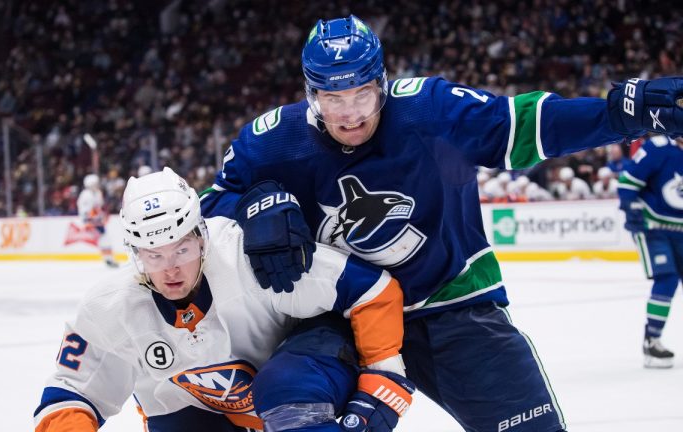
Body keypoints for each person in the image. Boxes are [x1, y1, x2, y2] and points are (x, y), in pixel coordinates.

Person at [202, 15, 683, 431]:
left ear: (382, 83)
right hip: (340, 316)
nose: (349, 114)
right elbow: (206, 211)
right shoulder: (272, 142)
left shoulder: (429, 109)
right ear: (311, 94)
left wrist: (616, 118)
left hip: (452, 308)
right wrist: (253, 202)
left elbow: (525, 125)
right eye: (332, 98)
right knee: (288, 395)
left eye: (361, 94)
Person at [34, 167, 413, 432]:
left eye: (181, 250)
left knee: (286, 392)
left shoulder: (245, 255)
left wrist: (385, 377)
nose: (171, 270)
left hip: (304, 372)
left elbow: (370, 289)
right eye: (154, 256)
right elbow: (70, 394)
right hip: (210, 412)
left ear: (201, 236)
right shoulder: (110, 307)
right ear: (136, 253)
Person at [618, 134, 683, 369]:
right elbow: (627, 183)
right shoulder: (658, 147)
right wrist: (632, 210)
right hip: (653, 227)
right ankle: (652, 340)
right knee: (666, 279)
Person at [77, 173, 118, 268]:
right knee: (104, 239)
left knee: (104, 239)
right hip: (91, 222)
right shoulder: (86, 195)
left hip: (97, 221)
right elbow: (85, 211)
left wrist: (102, 215)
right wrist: (90, 219)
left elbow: (99, 207)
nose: (97, 185)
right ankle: (108, 258)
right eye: (95, 183)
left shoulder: (97, 193)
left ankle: (108, 258)